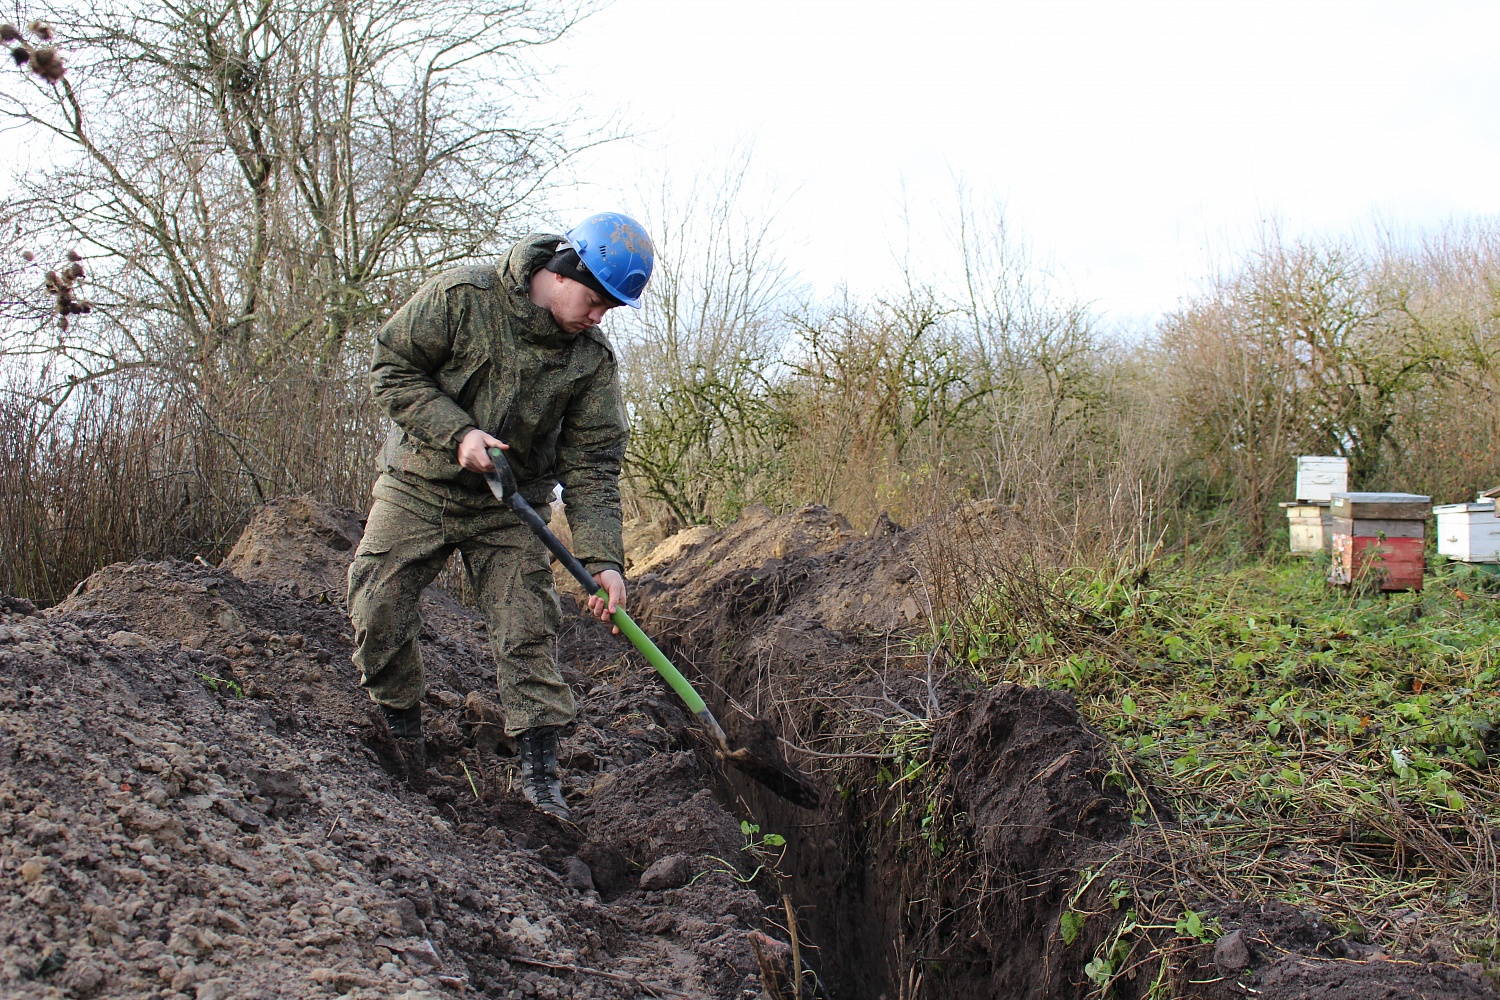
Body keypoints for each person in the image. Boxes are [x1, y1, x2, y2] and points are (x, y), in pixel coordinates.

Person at [347, 213, 654, 821]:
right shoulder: (463, 297)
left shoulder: (591, 362)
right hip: (420, 482)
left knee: (527, 629)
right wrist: (456, 432)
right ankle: (402, 735)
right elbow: (391, 366)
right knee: (377, 602)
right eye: (596, 301)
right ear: (564, 271)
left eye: (611, 310)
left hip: (511, 507)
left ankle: (541, 777)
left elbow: (594, 464)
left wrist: (604, 561)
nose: (599, 318)